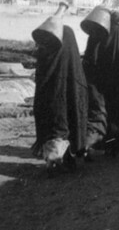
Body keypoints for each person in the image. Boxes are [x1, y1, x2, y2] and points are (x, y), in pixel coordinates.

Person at [32, 24, 90, 175]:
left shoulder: (46, 58)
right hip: (66, 105)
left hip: (50, 105)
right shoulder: (73, 64)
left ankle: (55, 160)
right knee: (66, 126)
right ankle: (62, 159)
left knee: (54, 128)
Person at [82, 10, 119, 157]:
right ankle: (113, 145)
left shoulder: (99, 37)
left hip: (101, 88)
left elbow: (90, 62)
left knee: (101, 114)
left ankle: (99, 144)